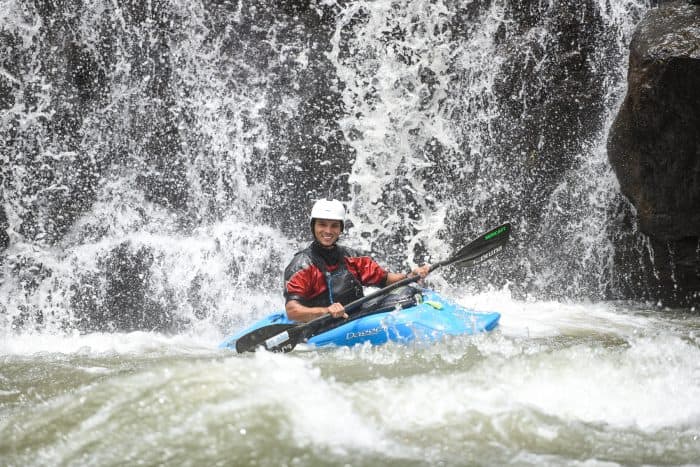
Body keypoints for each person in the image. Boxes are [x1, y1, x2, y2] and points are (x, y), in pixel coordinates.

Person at [284, 199, 430, 322]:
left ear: (341, 229)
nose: (328, 231)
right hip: (321, 326)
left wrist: (410, 276)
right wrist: (326, 311)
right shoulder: (301, 265)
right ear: (313, 226)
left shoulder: (352, 257)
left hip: (355, 317)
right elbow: (292, 310)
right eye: (322, 224)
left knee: (407, 292)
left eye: (334, 225)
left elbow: (386, 280)